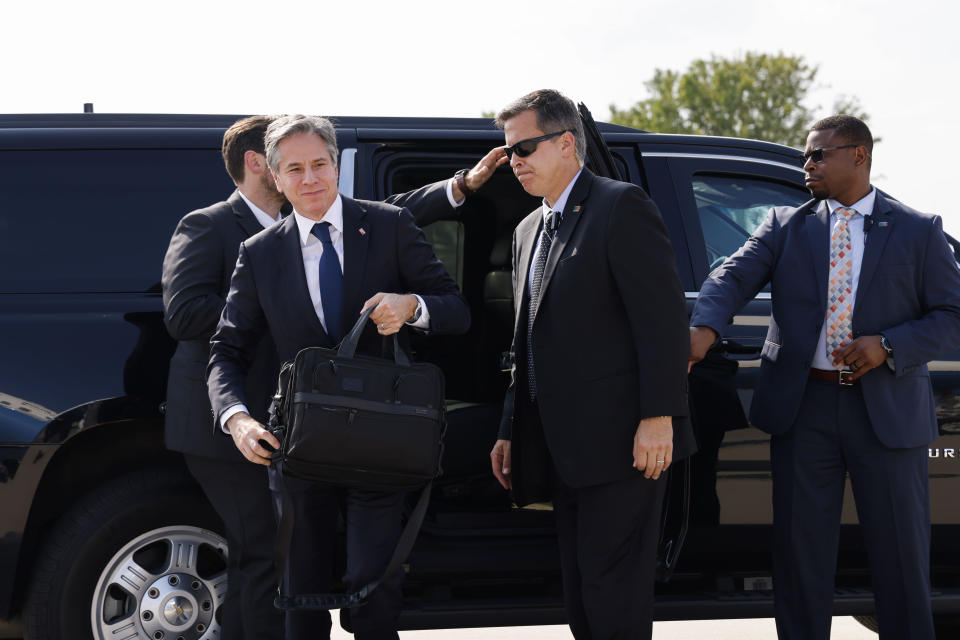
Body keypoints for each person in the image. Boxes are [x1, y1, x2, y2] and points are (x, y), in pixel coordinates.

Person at [162, 115, 499, 640]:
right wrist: (237, 419)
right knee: (299, 594)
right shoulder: (259, 253)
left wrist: (413, 307)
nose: (310, 178)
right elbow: (226, 350)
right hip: (299, 450)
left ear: (337, 165)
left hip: (380, 443)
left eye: (320, 164)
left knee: (373, 589)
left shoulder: (388, 225)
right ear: (275, 177)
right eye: (295, 169)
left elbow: (456, 310)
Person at [689, 114, 960, 640]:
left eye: (818, 155)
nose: (806, 165)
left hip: (885, 412)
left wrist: (888, 346)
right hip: (804, 410)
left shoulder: (917, 230)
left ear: (859, 155)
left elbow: (954, 315)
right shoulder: (784, 224)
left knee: (900, 558)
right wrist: (703, 326)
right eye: (804, 156)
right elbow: (730, 275)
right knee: (800, 557)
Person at [488, 89, 695, 640]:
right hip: (559, 444)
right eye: (509, 152)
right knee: (582, 589)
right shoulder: (528, 230)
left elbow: (663, 322)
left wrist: (659, 417)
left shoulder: (620, 206)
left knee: (613, 590)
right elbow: (526, 340)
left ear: (566, 143)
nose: (515, 162)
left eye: (525, 147)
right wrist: (511, 429)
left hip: (625, 443)